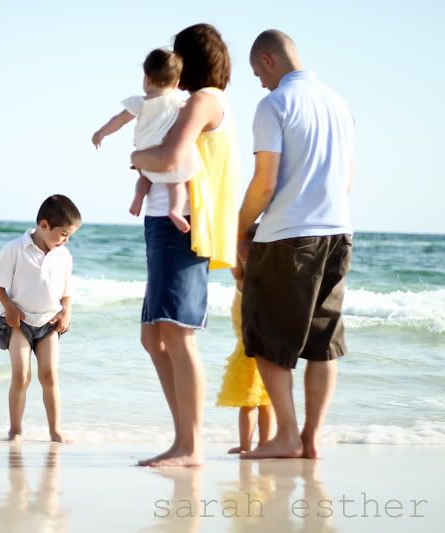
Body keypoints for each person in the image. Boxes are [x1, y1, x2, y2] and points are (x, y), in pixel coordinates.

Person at [238, 29, 354, 460]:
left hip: (288, 235)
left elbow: (264, 184)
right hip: (339, 231)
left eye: (257, 73)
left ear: (268, 60)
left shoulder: (274, 104)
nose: (260, 83)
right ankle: (310, 440)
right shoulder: (340, 104)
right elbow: (347, 181)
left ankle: (286, 436)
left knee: (268, 336)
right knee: (323, 342)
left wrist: (238, 229)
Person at [130, 23, 240, 467]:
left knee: (176, 334)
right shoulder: (190, 101)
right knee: (154, 336)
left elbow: (171, 157)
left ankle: (190, 447)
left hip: (183, 226)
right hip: (164, 223)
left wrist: (136, 158)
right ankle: (183, 438)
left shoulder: (203, 100)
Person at [0, 195, 82, 443]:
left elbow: (67, 291)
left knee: (49, 375)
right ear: (44, 225)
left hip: (49, 323)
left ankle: (55, 431)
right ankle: (15, 430)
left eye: (69, 235)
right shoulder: (14, 249)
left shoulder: (63, 255)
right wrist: (8, 307)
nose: (66, 240)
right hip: (18, 322)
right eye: (63, 234)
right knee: (21, 375)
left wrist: (66, 312)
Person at [92, 48, 200, 233]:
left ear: (147, 79)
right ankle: (175, 210)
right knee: (177, 183)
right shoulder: (178, 102)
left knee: (144, 177)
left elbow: (120, 120)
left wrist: (101, 132)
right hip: (166, 153)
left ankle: (138, 198)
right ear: (176, 83)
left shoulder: (139, 102)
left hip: (146, 154)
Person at [216, 224, 274, 454]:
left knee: (253, 402)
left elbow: (237, 260)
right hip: (264, 347)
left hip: (252, 348)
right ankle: (259, 444)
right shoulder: (253, 279)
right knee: (263, 401)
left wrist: (238, 243)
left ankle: (249, 445)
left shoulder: (246, 279)